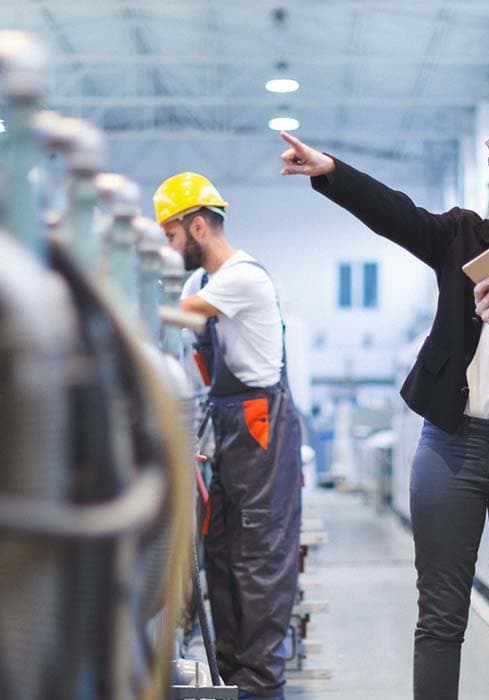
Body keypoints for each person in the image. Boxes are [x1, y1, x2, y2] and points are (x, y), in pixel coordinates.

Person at [279, 101, 489, 700]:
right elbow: (396, 215)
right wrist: (329, 171)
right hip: (453, 448)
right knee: (441, 617)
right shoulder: (465, 236)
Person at [153, 172, 302, 700]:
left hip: (263, 429)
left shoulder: (240, 277)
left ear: (198, 226)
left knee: (258, 558)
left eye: (170, 237)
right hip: (228, 427)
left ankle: (261, 685)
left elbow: (168, 316)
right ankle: (234, 678)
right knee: (222, 552)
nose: (170, 252)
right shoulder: (199, 284)